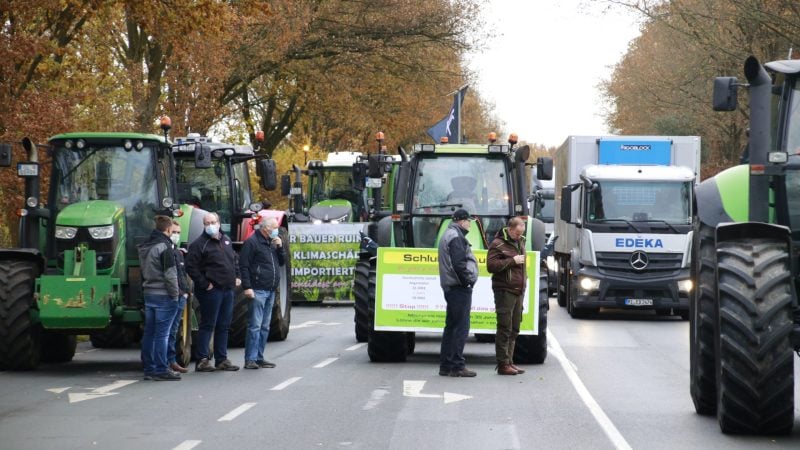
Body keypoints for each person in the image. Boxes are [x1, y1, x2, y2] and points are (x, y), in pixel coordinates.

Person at [186, 212, 241, 372]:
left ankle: (221, 359)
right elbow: (191, 266)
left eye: (213, 222)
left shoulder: (226, 240)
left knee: (224, 325)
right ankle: (202, 359)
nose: (210, 225)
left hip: (227, 289)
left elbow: (234, 259)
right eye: (207, 223)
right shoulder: (199, 244)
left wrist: (237, 275)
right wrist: (205, 283)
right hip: (211, 291)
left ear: (219, 223)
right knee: (208, 324)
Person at [138, 215, 181, 381]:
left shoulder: (146, 245)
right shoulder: (164, 247)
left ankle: (149, 368)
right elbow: (170, 274)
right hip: (164, 294)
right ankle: (162, 369)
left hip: (149, 292)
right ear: (169, 229)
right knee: (162, 334)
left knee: (149, 333)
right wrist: (175, 294)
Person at [437, 208, 479, 377]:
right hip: (459, 288)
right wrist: (467, 281)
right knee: (461, 327)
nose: (470, 224)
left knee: (451, 326)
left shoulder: (449, 234)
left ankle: (446, 365)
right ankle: (457, 366)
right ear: (462, 221)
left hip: (451, 287)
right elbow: (458, 264)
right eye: (469, 221)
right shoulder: (456, 237)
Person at [239, 217, 285, 369]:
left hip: (270, 290)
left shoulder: (271, 243)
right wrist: (247, 287)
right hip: (258, 289)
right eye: (274, 227)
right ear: (265, 229)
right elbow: (244, 266)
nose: (276, 230)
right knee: (255, 325)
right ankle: (250, 359)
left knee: (265, 326)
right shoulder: (252, 243)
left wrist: (280, 247)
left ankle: (259, 357)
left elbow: (282, 262)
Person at [486, 217, 528, 376]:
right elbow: (491, 266)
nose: (519, 236)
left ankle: (509, 361)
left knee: (515, 327)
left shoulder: (520, 242)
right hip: (505, 290)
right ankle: (502, 364)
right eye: (517, 233)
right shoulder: (498, 244)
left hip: (518, 290)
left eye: (521, 233)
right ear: (510, 229)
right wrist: (512, 261)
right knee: (504, 327)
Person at [166, 220, 191, 374]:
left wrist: (186, 291)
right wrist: (179, 293)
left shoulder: (177, 252)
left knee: (173, 330)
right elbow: (169, 275)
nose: (176, 235)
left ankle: (171, 360)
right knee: (168, 331)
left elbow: (181, 275)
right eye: (173, 232)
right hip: (173, 296)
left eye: (178, 232)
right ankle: (167, 362)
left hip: (181, 295)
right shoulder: (167, 251)